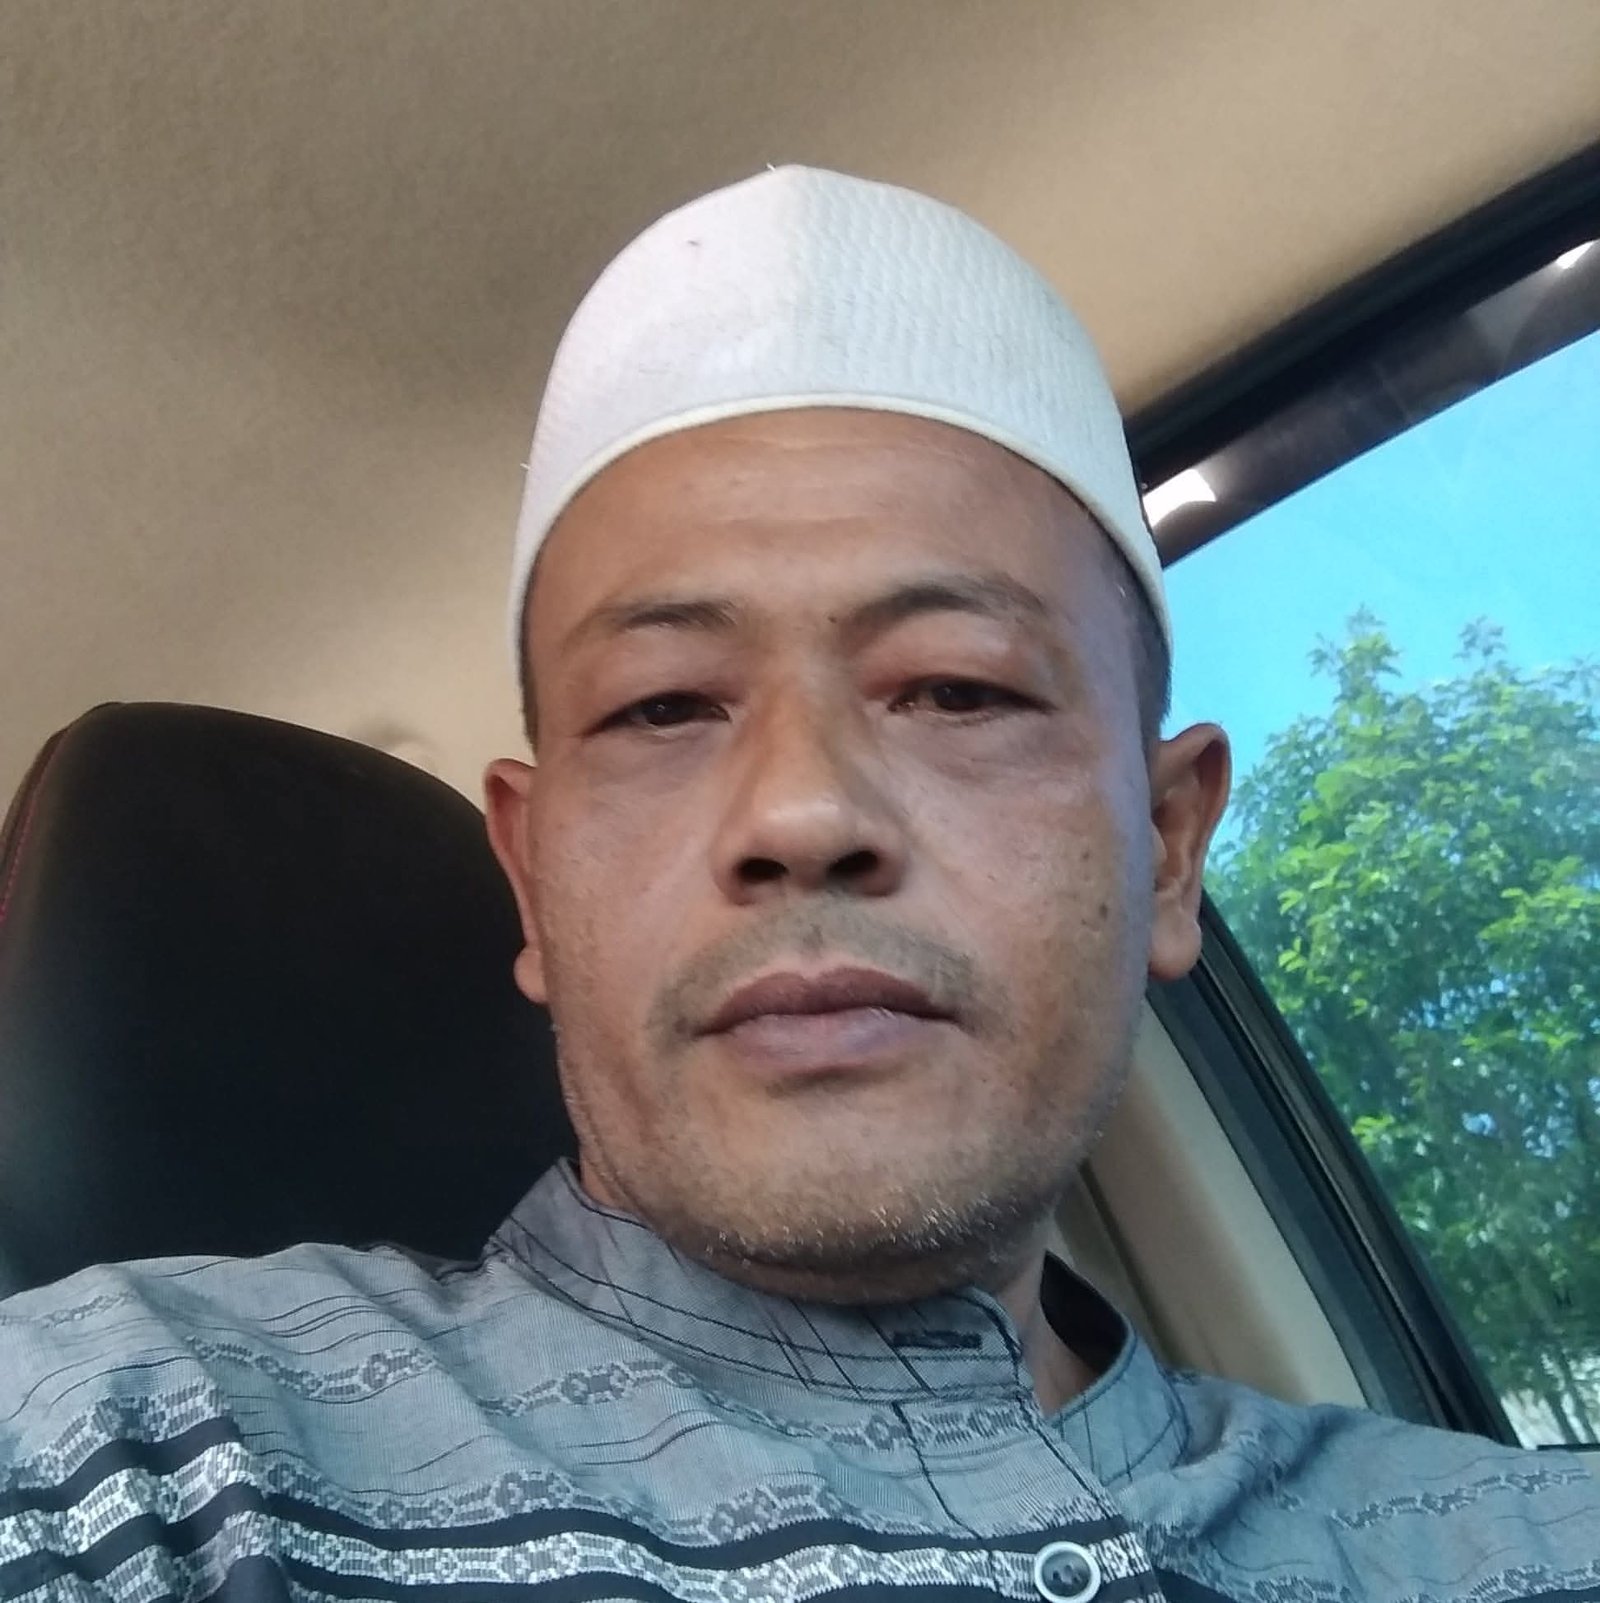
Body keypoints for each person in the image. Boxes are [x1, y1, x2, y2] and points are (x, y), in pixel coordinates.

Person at [1, 168, 1594, 1603]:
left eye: (959, 689)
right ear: (533, 880)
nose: (804, 812)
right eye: (662, 708)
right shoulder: (139, 1450)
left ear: (1169, 845)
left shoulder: (1513, 1542)